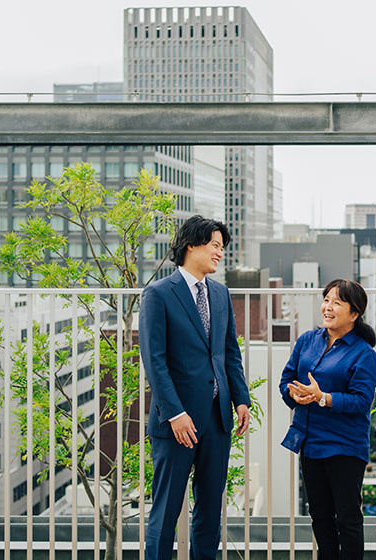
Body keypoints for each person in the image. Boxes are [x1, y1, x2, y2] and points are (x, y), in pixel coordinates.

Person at [140, 215, 251, 560]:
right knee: (166, 511)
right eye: (215, 245)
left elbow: (229, 352)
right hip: (176, 423)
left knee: (209, 512)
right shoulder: (158, 294)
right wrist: (174, 413)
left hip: (217, 420)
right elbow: (154, 361)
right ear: (191, 245)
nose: (220, 253)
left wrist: (241, 399)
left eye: (222, 247)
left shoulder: (219, 293)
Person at [279, 279, 376, 560]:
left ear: (355, 313)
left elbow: (361, 401)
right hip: (310, 441)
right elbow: (287, 380)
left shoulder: (363, 354)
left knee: (347, 519)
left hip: (345, 445)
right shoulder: (307, 341)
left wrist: (323, 397)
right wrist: (295, 396)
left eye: (337, 302)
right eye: (326, 300)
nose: (328, 307)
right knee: (319, 516)